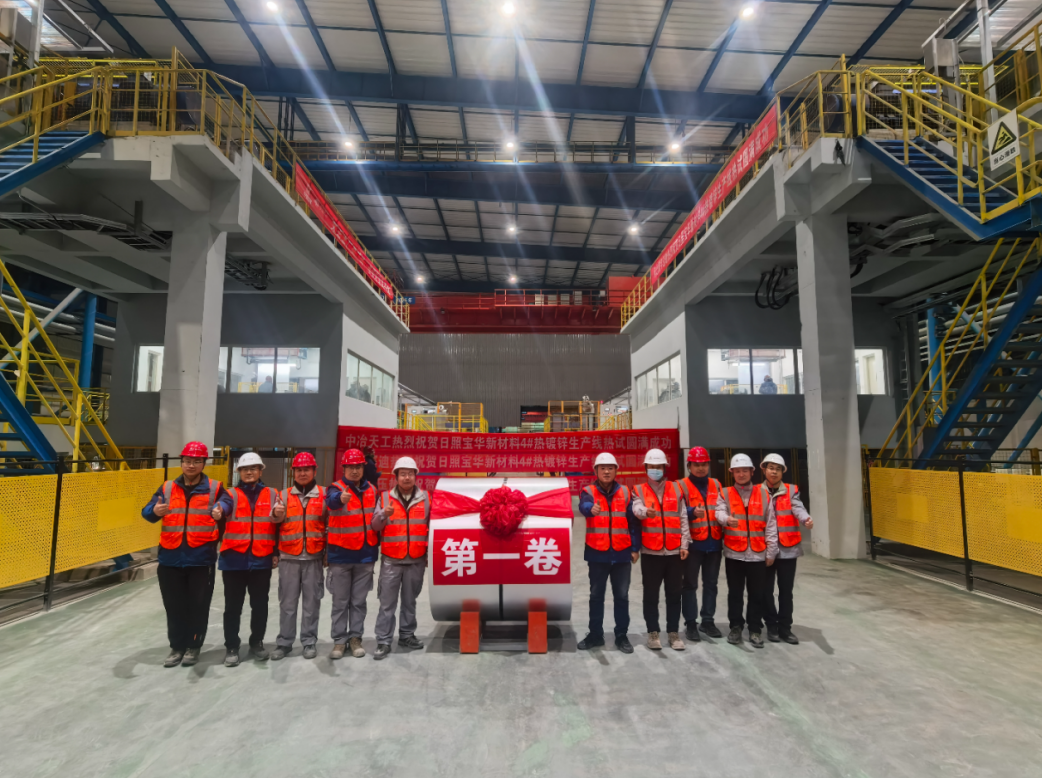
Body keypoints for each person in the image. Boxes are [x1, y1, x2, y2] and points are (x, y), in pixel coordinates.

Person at [141, 441, 233, 668]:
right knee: (173, 606)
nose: (191, 465)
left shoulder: (214, 488)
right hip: (170, 559)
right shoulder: (167, 488)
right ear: (181, 462)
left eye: (196, 461)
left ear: (203, 463)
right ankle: (177, 647)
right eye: (187, 461)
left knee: (198, 606)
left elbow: (227, 503)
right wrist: (154, 510)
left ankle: (193, 646)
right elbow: (147, 512)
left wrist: (221, 510)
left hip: (201, 560)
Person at [218, 452, 285, 667]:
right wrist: (219, 511)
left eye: (253, 468)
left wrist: (275, 552)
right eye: (245, 469)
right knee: (233, 607)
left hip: (261, 559)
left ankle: (257, 642)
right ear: (238, 471)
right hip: (234, 560)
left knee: (260, 605)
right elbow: (223, 509)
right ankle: (231, 646)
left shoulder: (273, 494)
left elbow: (278, 525)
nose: (249, 472)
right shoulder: (230, 494)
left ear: (260, 471)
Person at [576, 452, 640, 654]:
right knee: (596, 596)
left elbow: (633, 523)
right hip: (597, 554)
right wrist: (590, 509)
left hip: (621, 554)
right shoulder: (588, 491)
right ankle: (595, 634)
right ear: (596, 471)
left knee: (621, 596)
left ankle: (621, 635)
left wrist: (635, 548)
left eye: (610, 468)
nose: (606, 471)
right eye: (602, 468)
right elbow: (583, 506)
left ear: (616, 471)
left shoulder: (626, 492)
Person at [715, 453, 778, 649]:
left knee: (756, 594)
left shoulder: (764, 494)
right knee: (735, 593)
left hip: (758, 553)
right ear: (732, 473)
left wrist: (771, 551)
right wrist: (726, 519)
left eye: (744, 470)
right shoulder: (725, 493)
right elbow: (718, 511)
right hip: (734, 553)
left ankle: (755, 629)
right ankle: (735, 627)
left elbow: (771, 524)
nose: (741, 474)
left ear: (752, 472)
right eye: (737, 471)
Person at [631, 449, 690, 651]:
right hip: (651, 552)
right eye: (651, 466)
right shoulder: (638, 490)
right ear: (646, 468)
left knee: (674, 594)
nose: (655, 469)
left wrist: (685, 544)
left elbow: (683, 518)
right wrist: (644, 512)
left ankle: (673, 633)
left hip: (674, 551)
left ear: (664, 468)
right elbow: (636, 509)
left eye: (658, 466)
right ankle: (653, 633)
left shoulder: (677, 488)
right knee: (651, 595)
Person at [371, 456, 429, 660]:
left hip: (416, 559)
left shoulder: (425, 498)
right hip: (391, 560)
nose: (406, 477)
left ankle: (407, 635)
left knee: (410, 601)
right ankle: (384, 640)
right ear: (395, 477)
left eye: (410, 474)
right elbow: (375, 526)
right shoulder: (385, 498)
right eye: (403, 474)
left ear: (415, 476)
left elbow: (432, 527)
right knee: (387, 603)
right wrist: (382, 515)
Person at [271, 451, 327, 661]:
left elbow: (329, 526)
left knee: (312, 603)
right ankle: (285, 642)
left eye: (307, 469)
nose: (303, 473)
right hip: (289, 557)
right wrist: (275, 516)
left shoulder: (324, 494)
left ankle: (309, 641)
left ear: (314, 471)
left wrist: (328, 553)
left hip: (314, 557)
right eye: (299, 470)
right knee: (287, 603)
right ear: (293, 472)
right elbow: (274, 525)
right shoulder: (283, 495)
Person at [325, 448, 380, 659]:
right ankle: (339, 641)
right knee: (340, 602)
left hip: (365, 556)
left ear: (363, 468)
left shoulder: (372, 490)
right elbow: (331, 501)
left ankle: (356, 638)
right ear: (344, 468)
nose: (354, 471)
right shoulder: (336, 488)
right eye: (350, 467)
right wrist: (341, 498)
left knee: (358, 602)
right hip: (341, 556)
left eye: (358, 467)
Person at [760, 453, 814, 645]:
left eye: (778, 469)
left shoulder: (791, 491)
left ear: (783, 472)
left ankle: (785, 628)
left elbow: (798, 508)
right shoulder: (757, 491)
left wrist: (806, 518)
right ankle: (771, 625)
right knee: (765, 590)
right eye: (771, 468)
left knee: (786, 591)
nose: (774, 472)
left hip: (787, 549)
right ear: (764, 470)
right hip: (765, 549)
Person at [675, 446, 724, 641]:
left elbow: (722, 508)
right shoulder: (681, 486)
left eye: (704, 464)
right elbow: (676, 512)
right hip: (693, 544)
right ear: (689, 466)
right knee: (689, 584)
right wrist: (691, 512)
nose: (701, 468)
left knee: (711, 584)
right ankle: (690, 623)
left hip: (714, 543)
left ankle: (708, 621)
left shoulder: (716, 484)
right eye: (696, 464)